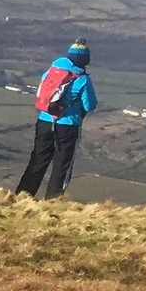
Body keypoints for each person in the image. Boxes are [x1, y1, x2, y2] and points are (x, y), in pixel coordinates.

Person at [16, 40, 98, 198]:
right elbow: (90, 106)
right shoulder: (82, 79)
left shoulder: (50, 72)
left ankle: (22, 196)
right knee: (61, 166)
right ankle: (52, 202)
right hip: (68, 126)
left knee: (38, 160)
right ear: (85, 60)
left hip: (44, 121)